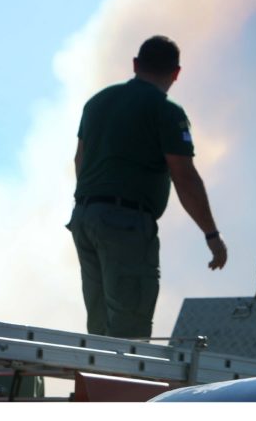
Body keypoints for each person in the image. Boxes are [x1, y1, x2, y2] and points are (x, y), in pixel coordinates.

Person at [68, 35, 227, 339]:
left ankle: (94, 385)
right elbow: (184, 176)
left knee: (99, 327)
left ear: (136, 65)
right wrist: (211, 234)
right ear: (176, 73)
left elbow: (80, 159)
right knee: (130, 331)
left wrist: (96, 206)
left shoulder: (97, 103)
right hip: (125, 223)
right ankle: (122, 386)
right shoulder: (165, 111)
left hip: (85, 217)